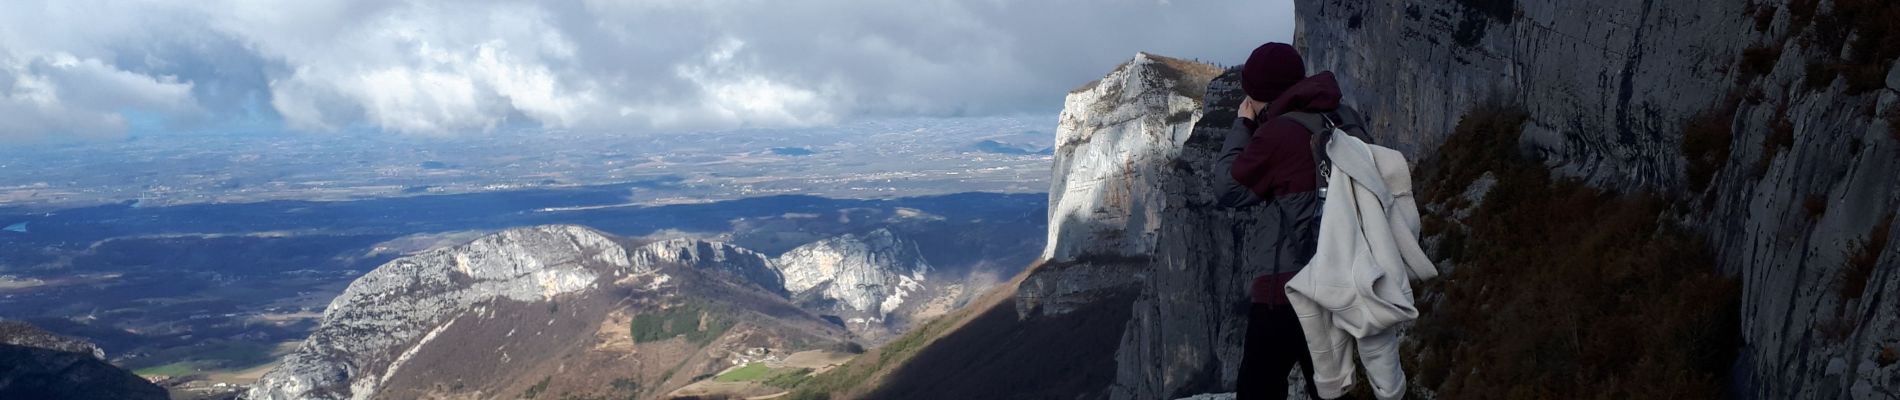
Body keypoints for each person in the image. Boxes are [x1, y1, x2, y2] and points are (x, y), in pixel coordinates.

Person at [1210, 42, 1351, 400]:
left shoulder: (1278, 133)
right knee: (1332, 389)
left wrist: (1244, 124)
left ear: (1260, 94)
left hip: (1286, 288)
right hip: (1343, 276)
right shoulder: (1343, 117)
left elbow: (1228, 188)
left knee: (1258, 389)